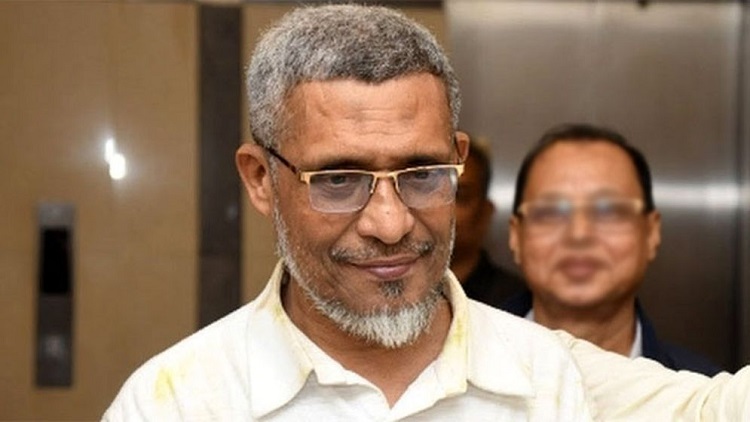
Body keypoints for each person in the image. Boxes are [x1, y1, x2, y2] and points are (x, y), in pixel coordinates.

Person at [104, 5, 749, 421]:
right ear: (260, 179)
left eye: (421, 175)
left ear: (458, 160)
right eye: (339, 180)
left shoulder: (547, 379)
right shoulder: (179, 402)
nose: (390, 224)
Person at [502, 123, 722, 375]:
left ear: (651, 232)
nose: (579, 234)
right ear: (516, 236)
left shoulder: (703, 393)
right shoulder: (464, 373)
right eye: (550, 212)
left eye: (609, 211)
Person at [452, 136, 526, 307]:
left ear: (485, 212)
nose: (443, 209)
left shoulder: (516, 302)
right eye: (429, 192)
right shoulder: (399, 293)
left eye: (460, 196)